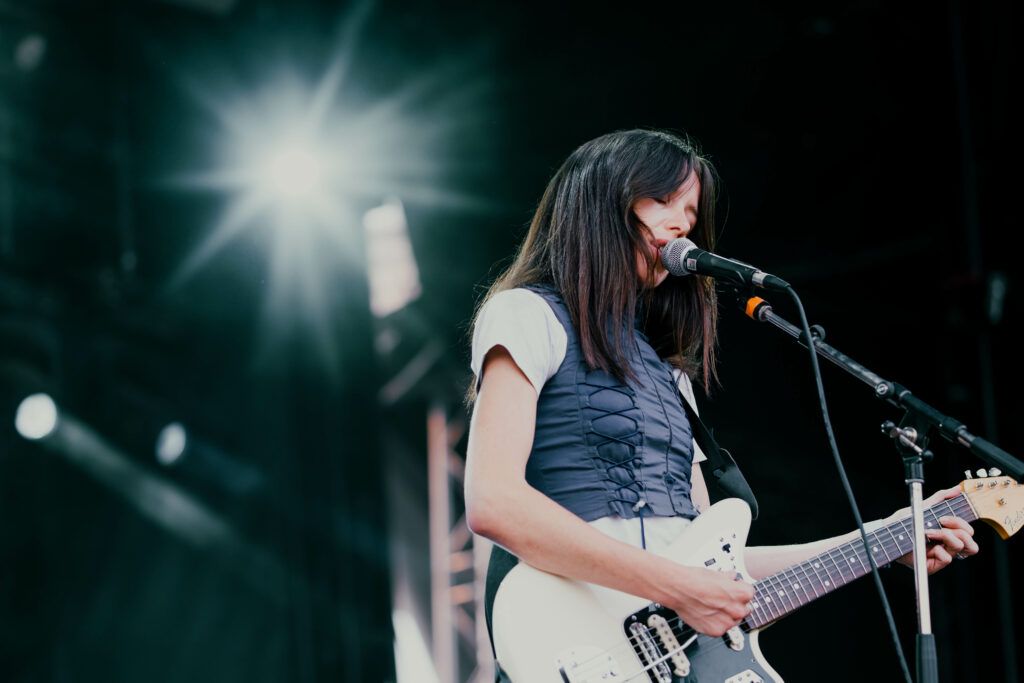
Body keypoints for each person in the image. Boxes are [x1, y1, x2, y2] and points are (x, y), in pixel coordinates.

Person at [463, 129, 978, 675]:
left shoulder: (670, 378)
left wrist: (878, 541)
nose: (683, 222)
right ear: (600, 201)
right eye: (662, 199)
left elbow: (720, 573)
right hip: (575, 650)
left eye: (690, 209)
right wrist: (676, 586)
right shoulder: (528, 314)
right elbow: (494, 503)